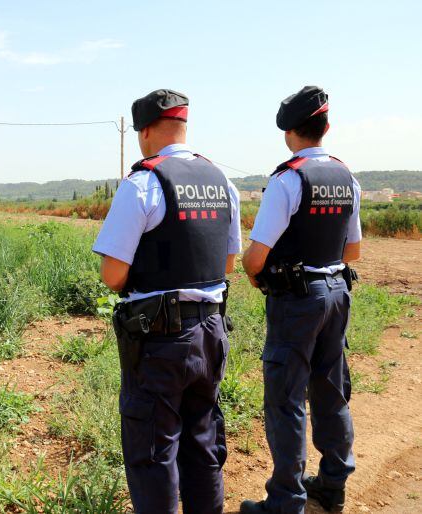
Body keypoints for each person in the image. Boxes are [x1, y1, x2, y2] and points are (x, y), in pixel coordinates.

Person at [93, 88, 241, 514]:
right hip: (212, 331)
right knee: (203, 441)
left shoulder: (144, 183)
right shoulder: (222, 181)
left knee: (154, 449)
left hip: (160, 338)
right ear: (183, 125)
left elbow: (112, 275)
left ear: (143, 133)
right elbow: (227, 262)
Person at [240, 86, 362, 514]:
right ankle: (331, 487)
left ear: (288, 132)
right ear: (326, 127)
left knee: (286, 398)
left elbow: (256, 256)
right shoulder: (348, 178)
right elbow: (353, 252)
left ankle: (286, 500)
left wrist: (256, 274)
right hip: (337, 292)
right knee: (331, 392)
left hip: (297, 300)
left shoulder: (288, 179)